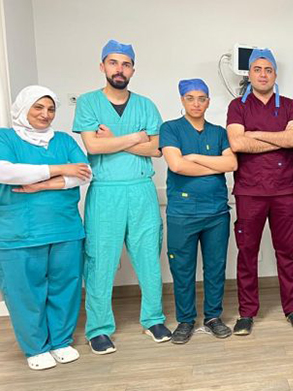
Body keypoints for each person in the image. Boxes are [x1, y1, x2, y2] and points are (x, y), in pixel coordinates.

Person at [73, 39, 171, 354]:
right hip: (105, 192)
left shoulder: (146, 105)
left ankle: (153, 319)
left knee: (148, 257)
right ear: (102, 66)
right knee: (99, 259)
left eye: (126, 64)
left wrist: (115, 139)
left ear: (133, 70)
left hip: (141, 189)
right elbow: (93, 146)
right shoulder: (88, 102)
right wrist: (135, 137)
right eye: (113, 63)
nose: (120, 69)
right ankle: (99, 328)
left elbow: (156, 150)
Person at [0, 86, 91, 370]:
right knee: (24, 292)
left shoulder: (63, 140)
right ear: (23, 108)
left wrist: (41, 184)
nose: (45, 114)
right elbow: (5, 171)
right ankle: (36, 348)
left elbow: (85, 172)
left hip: (65, 229)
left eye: (50, 109)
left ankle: (61, 341)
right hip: (19, 234)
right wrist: (59, 169)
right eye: (38, 107)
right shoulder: (5, 137)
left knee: (66, 287)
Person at [226, 48, 293, 334]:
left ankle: (292, 309)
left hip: (284, 190)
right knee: (247, 252)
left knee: (286, 251)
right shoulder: (237, 107)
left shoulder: (290, 105)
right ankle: (247, 313)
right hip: (249, 191)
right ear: (249, 74)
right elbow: (237, 144)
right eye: (257, 69)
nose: (263, 75)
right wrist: (279, 139)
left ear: (275, 74)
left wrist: (255, 135)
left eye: (268, 70)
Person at [160, 79, 237, 344]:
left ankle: (213, 317)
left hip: (216, 212)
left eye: (201, 98)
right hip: (182, 213)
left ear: (208, 102)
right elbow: (177, 166)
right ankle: (185, 320)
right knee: (182, 268)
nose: (196, 103)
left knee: (215, 267)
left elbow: (232, 163)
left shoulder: (219, 132)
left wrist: (193, 158)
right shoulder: (170, 129)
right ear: (182, 100)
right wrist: (214, 165)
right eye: (190, 98)